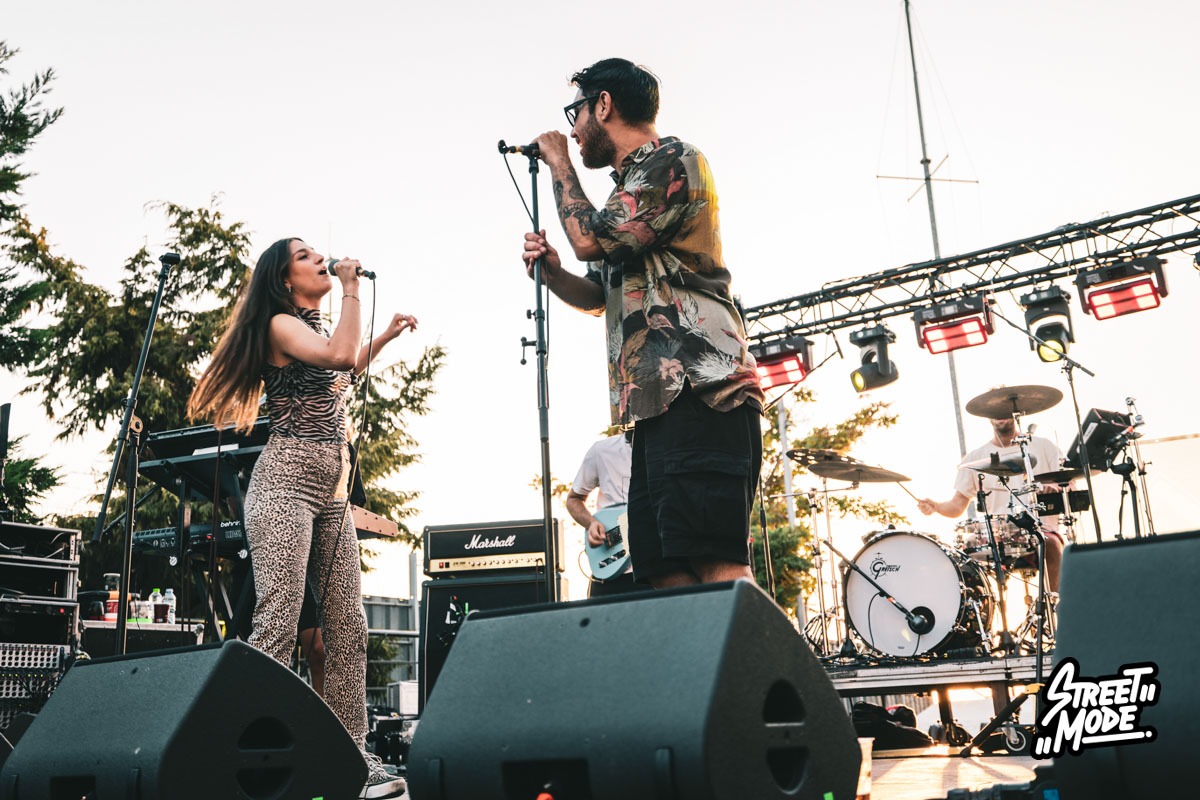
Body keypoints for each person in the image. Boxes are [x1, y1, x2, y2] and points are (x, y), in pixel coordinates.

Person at [521, 58, 764, 590]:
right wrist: (554, 274)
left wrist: (559, 162)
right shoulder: (624, 192)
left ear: (604, 105)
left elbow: (588, 239)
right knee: (661, 573)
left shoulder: (672, 160)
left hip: (702, 393)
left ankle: (755, 649)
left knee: (715, 564)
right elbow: (598, 295)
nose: (572, 131)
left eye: (576, 114)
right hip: (653, 408)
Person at [187, 238, 416, 799]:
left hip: (330, 495)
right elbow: (339, 356)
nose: (321, 259)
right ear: (285, 279)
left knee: (348, 628)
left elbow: (342, 370)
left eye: (320, 254)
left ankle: (352, 758)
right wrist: (352, 287)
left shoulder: (313, 331)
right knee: (278, 624)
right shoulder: (278, 325)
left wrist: (384, 335)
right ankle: (244, 755)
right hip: (284, 485)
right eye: (306, 255)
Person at [917, 415, 1067, 593]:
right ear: (988, 415)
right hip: (996, 535)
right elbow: (957, 506)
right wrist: (936, 506)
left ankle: (1056, 605)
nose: (1000, 414)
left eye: (1003, 409)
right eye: (995, 410)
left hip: (1039, 530)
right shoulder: (976, 458)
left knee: (1050, 544)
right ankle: (978, 607)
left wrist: (1056, 487)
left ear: (1015, 411)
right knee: (961, 559)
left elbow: (1070, 480)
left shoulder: (1043, 446)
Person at [565, 430, 651, 597]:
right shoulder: (602, 451)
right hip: (612, 565)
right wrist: (591, 523)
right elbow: (573, 499)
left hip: (654, 568)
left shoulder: (672, 449)